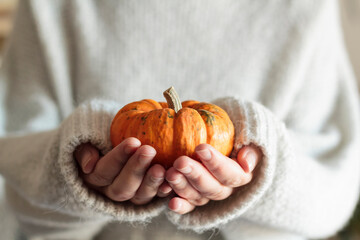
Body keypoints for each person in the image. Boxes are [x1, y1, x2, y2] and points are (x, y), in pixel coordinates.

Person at [0, 0, 359, 239]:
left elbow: (332, 189)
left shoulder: (306, 6)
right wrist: (74, 170)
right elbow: (12, 162)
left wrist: (264, 172)